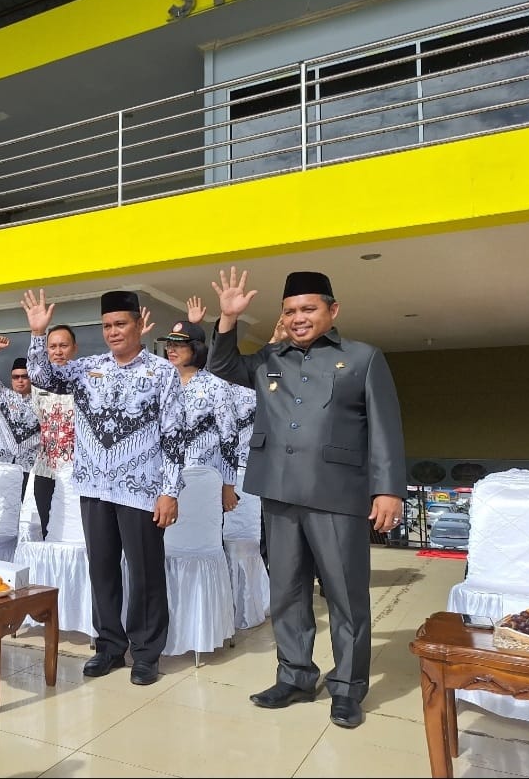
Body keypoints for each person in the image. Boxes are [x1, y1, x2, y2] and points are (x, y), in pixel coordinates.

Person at [208, 266, 406, 729]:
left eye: (308, 308)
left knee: (345, 595)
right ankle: (296, 676)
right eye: (290, 310)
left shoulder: (362, 358)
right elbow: (222, 367)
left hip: (337, 495)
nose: (299, 317)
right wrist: (227, 321)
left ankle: (348, 688)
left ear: (332, 311)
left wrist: (389, 489)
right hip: (279, 494)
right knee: (287, 592)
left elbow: (385, 428)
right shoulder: (268, 359)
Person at [22, 288, 184, 686]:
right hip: (93, 488)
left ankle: (146, 654)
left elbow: (175, 436)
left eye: (121, 324)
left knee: (145, 573)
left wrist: (170, 490)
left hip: (142, 489)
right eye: (107, 325)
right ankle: (109, 646)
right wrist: (38, 335)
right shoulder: (88, 368)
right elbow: (43, 377)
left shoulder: (161, 372)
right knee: (102, 570)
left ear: (138, 326)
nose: (113, 332)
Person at [161, 320, 240, 513]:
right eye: (169, 344)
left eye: (179, 345)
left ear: (196, 349)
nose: (171, 349)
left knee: (204, 537)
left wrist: (228, 485)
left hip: (203, 477)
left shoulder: (215, 385)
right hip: (164, 480)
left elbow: (229, 436)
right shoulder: (160, 381)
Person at [30, 324, 78, 540]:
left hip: (76, 470)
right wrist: (37, 333)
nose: (58, 351)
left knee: (74, 532)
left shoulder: (83, 380)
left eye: (63, 345)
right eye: (53, 346)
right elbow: (35, 366)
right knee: (46, 529)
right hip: (46, 469)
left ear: (74, 348)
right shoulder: (39, 383)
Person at [0, 336, 40, 500]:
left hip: (29, 467)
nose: (20, 380)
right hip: (1, 465)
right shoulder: (3, 396)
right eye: (16, 377)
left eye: (24, 376)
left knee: (25, 514)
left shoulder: (43, 401)